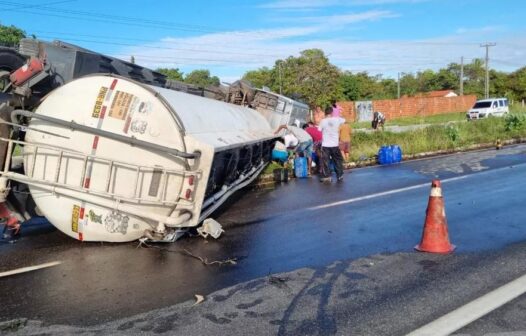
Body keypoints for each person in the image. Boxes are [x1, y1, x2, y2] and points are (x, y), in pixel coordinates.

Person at [318, 107, 346, 182]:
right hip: (335, 144)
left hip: (325, 145)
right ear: (331, 113)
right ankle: (340, 175)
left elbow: (319, 130)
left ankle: (327, 176)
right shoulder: (337, 119)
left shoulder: (322, 121)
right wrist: (338, 114)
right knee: (337, 160)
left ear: (325, 113)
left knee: (326, 161)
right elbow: (344, 120)